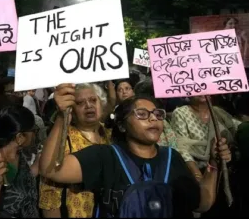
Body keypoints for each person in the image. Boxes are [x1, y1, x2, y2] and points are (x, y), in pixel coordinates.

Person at [40, 85, 231, 218]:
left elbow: (203, 202)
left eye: (158, 114)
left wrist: (213, 165)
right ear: (122, 126)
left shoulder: (173, 157)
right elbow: (52, 170)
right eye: (141, 114)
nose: (152, 119)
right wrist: (61, 116)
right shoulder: (105, 156)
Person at [39, 83, 112, 218]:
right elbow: (49, 195)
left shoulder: (111, 136)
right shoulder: (62, 139)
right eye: (80, 103)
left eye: (93, 100)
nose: (88, 106)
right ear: (71, 110)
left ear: (101, 103)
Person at [171, 95, 241, 217]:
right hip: (196, 171)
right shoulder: (181, 112)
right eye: (198, 89)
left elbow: (238, 127)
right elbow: (182, 148)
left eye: (205, 88)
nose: (202, 92)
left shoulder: (218, 112)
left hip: (221, 171)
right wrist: (198, 177)